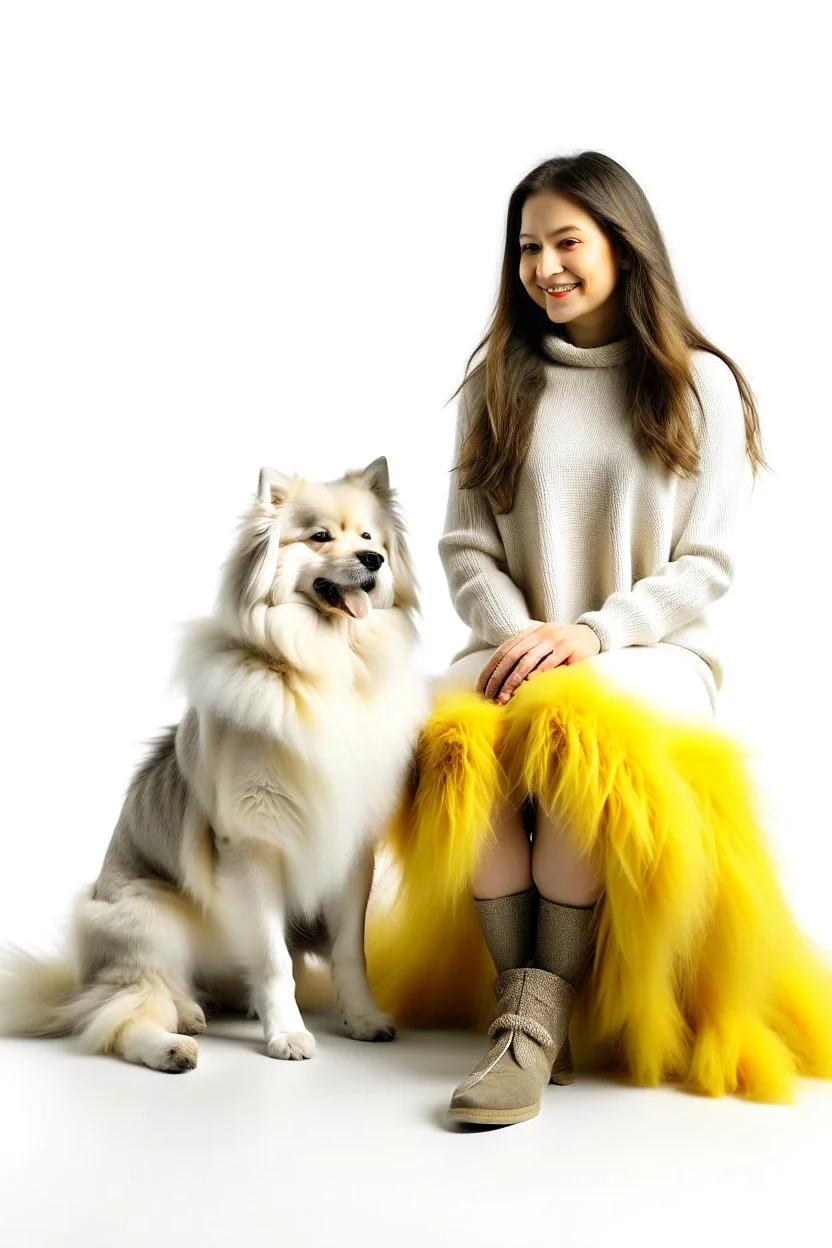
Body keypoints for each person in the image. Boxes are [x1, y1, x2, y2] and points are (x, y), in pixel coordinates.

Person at [366, 150, 832, 1125]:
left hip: (651, 655)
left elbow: (705, 566)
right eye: (527, 248)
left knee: (577, 728)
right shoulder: (498, 380)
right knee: (452, 738)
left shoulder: (694, 383)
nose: (544, 266)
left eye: (565, 242)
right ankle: (521, 995)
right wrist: (522, 633)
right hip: (516, 641)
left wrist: (590, 634)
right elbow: (462, 547)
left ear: (622, 246)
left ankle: (535, 1028)